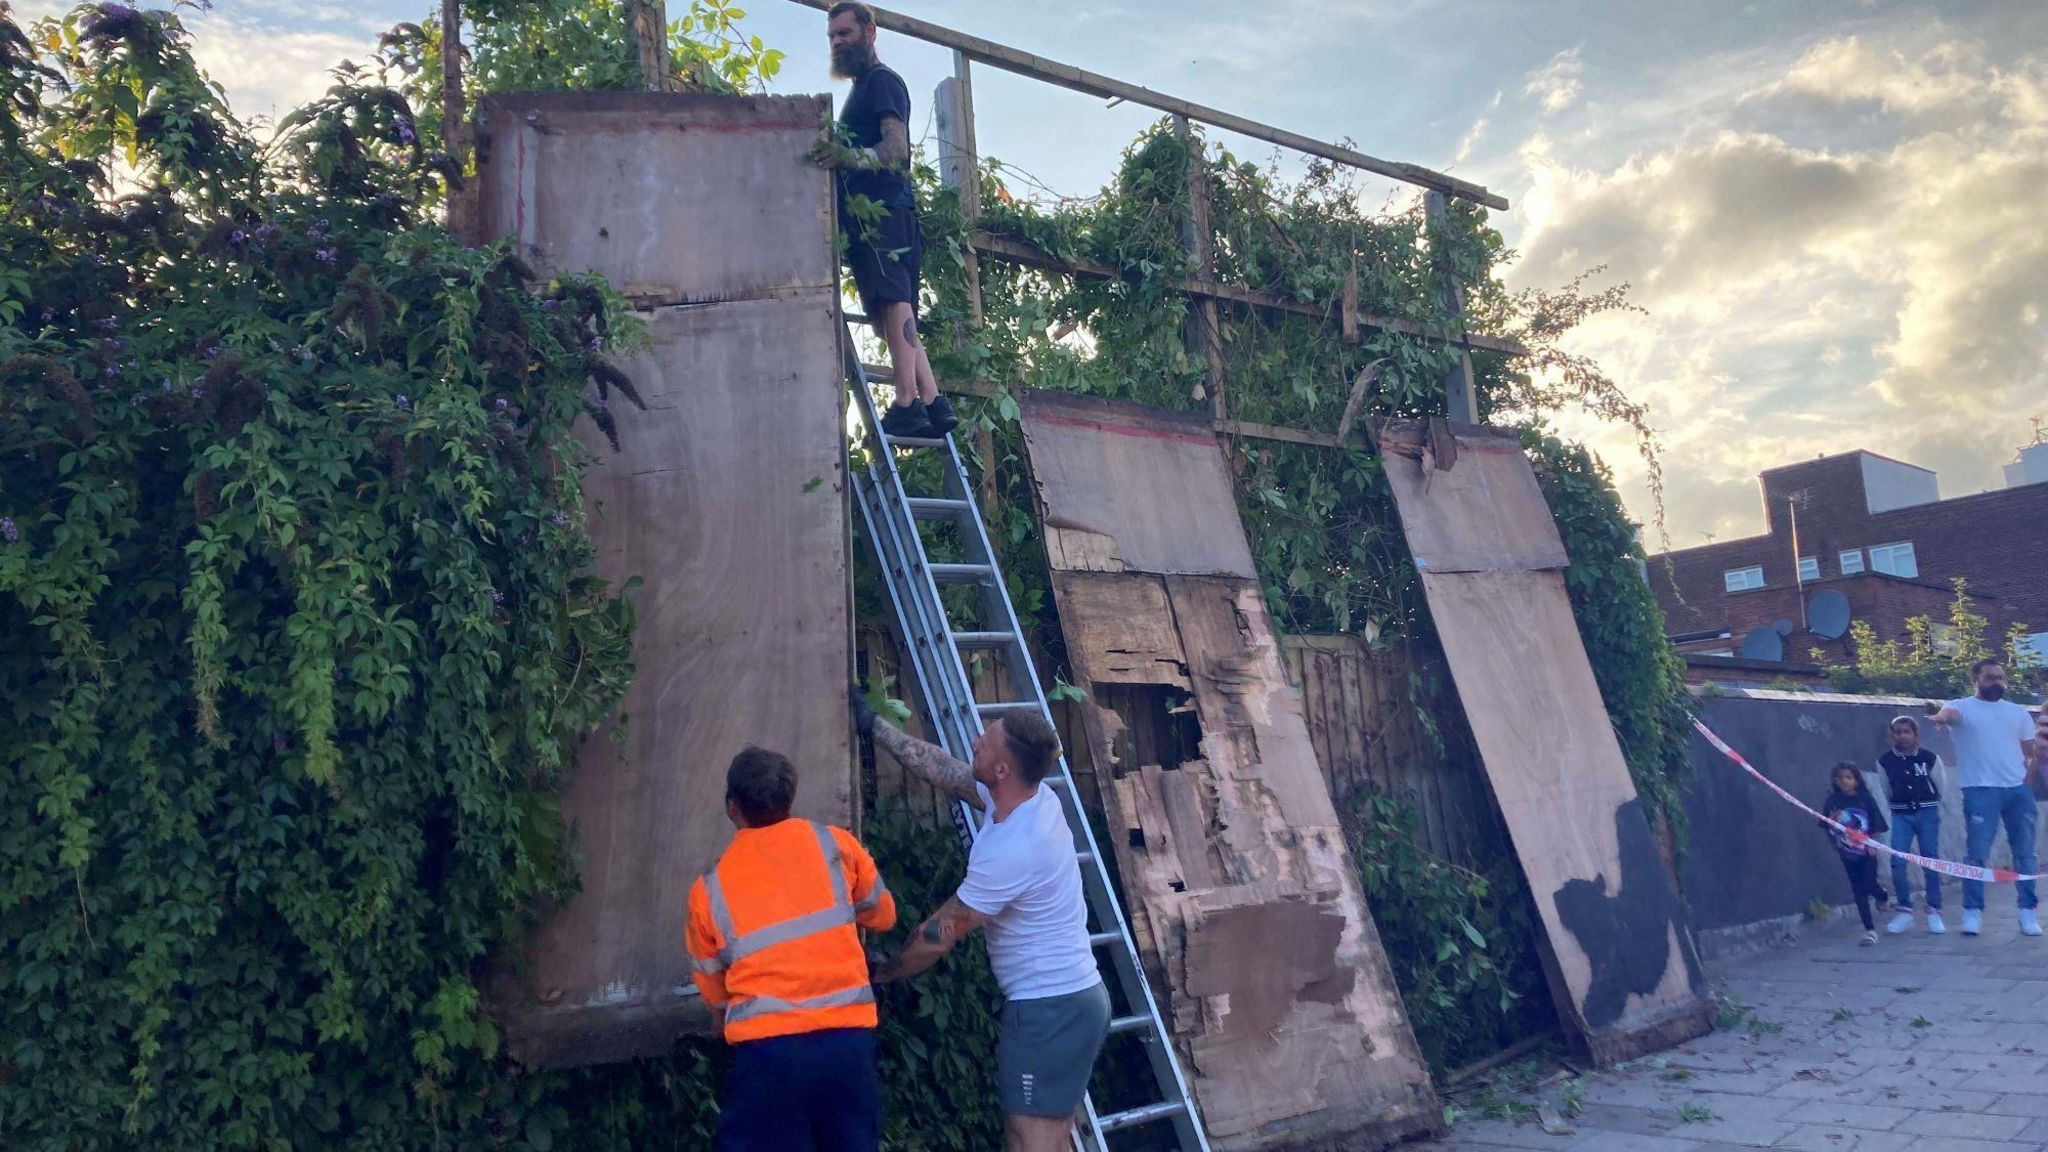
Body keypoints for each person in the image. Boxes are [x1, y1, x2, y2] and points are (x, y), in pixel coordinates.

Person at [850, 689, 1108, 1152]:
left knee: (1030, 1142)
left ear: (1003, 770)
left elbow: (939, 934)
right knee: (1052, 1138)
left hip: (1048, 1009)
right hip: (1075, 1001)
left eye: (985, 742)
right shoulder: (1030, 799)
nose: (974, 741)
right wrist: (876, 728)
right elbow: (947, 771)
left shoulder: (1011, 849)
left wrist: (883, 972)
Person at [686, 747, 898, 1151]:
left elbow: (716, 1000)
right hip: (848, 1047)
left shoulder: (708, 891)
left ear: (733, 807)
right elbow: (883, 916)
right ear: (789, 798)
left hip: (770, 1057)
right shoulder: (836, 846)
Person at [809, 0, 957, 442]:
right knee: (892, 309)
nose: (838, 42)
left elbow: (897, 149)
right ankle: (933, 400)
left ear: (870, 32)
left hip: (886, 214)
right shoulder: (864, 87)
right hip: (877, 219)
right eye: (832, 36)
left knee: (893, 303)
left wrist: (848, 157)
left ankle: (907, 403)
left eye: (845, 33)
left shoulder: (881, 82)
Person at [1930, 660, 2042, 937]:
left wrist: (2026, 784)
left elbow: (2032, 752)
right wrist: (1941, 719)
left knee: (2026, 854)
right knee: (1977, 854)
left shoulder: (2017, 712)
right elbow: (1949, 714)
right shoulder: (1963, 707)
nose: (1997, 682)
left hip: (2018, 792)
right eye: (1990, 678)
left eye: (2001, 678)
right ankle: (1973, 912)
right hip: (1980, 790)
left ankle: (2027, 912)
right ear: (1976, 679)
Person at [1877, 715, 1945, 935]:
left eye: (1907, 732)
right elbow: (1886, 789)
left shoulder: (1930, 758)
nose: (1902, 736)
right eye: (1897, 732)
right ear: (1892, 735)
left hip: (1927, 812)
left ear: (1916, 735)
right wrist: (1898, 807)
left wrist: (1931, 806)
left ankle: (1934, 910)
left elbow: (1940, 786)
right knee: (1897, 860)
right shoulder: (1884, 761)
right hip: (1901, 815)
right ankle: (1905, 909)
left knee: (1930, 860)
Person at [1819, 761, 1891, 946]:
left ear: (1856, 780)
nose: (1844, 781)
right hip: (1847, 854)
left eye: (1848, 777)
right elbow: (1827, 826)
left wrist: (1872, 844)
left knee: (1869, 884)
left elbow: (1875, 824)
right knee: (1858, 890)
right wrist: (1835, 846)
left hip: (1867, 852)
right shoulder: (1832, 801)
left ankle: (1881, 894)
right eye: (1840, 777)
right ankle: (1869, 930)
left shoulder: (1865, 799)